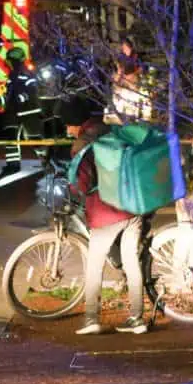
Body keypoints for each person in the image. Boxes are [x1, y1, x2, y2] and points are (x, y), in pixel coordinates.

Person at [58, 96, 149, 336]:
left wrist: (72, 187)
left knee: (94, 265)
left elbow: (83, 185)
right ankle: (137, 319)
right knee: (131, 262)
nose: (67, 130)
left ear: (75, 123)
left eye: (68, 125)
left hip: (107, 213)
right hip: (133, 206)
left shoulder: (82, 145)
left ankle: (91, 319)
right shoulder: (110, 131)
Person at [2, 46, 41, 173]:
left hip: (28, 111)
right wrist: (2, 100)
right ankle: (13, 165)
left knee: (35, 138)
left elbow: (32, 91)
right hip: (13, 112)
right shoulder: (13, 75)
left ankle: (46, 161)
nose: (8, 63)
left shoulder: (26, 73)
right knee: (11, 139)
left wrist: (21, 98)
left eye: (10, 60)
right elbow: (10, 94)